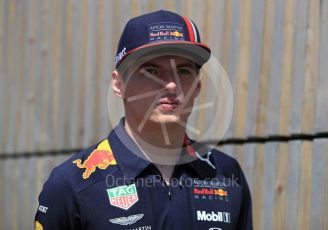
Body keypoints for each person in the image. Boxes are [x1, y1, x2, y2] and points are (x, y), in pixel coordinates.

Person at [34, 10, 252, 230]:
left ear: (197, 86)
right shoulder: (73, 183)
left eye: (183, 70)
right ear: (119, 85)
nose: (171, 85)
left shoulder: (226, 174)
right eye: (151, 71)